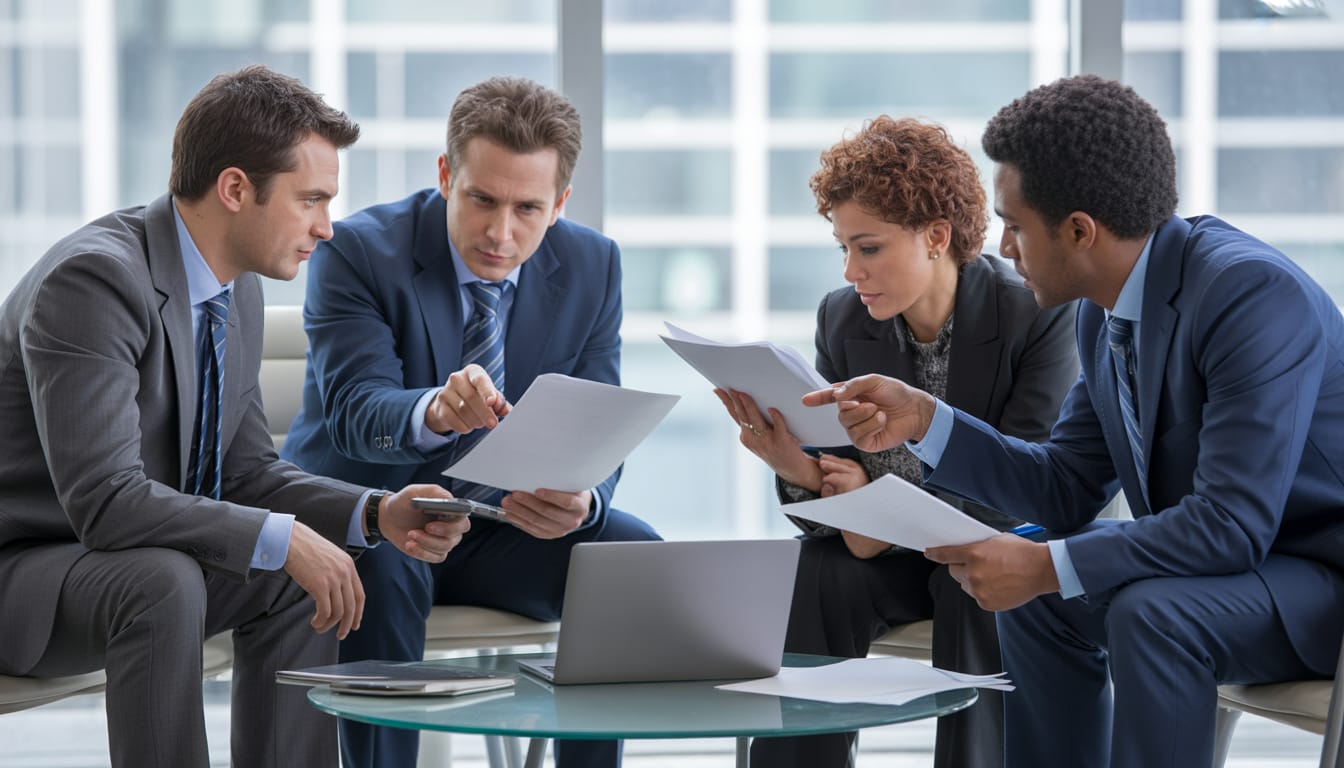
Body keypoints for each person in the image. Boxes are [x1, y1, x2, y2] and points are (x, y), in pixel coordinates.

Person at [806, 75, 1344, 768]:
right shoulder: (1105, 308)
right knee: (1038, 598)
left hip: (1316, 575)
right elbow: (1065, 485)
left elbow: (1231, 525)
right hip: (1229, 571)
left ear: (1080, 231)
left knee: (1147, 614)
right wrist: (925, 420)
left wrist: (1050, 564)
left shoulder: (1250, 295)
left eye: (1016, 225)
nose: (1001, 247)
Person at [0, 65, 470, 768]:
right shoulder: (93, 282)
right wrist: (283, 537)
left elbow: (247, 472)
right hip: (29, 575)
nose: (327, 226)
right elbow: (105, 503)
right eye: (311, 199)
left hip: (127, 567)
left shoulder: (233, 290)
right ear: (235, 189)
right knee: (168, 576)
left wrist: (377, 513)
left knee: (291, 573)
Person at [280, 75, 661, 768]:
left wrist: (583, 497)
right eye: (482, 199)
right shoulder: (359, 252)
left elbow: (599, 419)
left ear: (560, 203)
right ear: (445, 174)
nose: (500, 231)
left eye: (528, 208)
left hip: (501, 532)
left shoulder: (592, 265)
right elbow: (355, 415)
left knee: (627, 560)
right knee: (384, 570)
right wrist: (434, 410)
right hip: (376, 519)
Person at [718, 116, 1079, 768]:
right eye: (843, 249)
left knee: (968, 582)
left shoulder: (1033, 312)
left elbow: (1027, 483)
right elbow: (845, 476)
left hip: (1000, 545)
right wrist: (797, 467)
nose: (853, 270)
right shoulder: (842, 317)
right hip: (897, 549)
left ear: (937, 237)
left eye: (870, 247)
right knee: (815, 573)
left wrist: (878, 515)